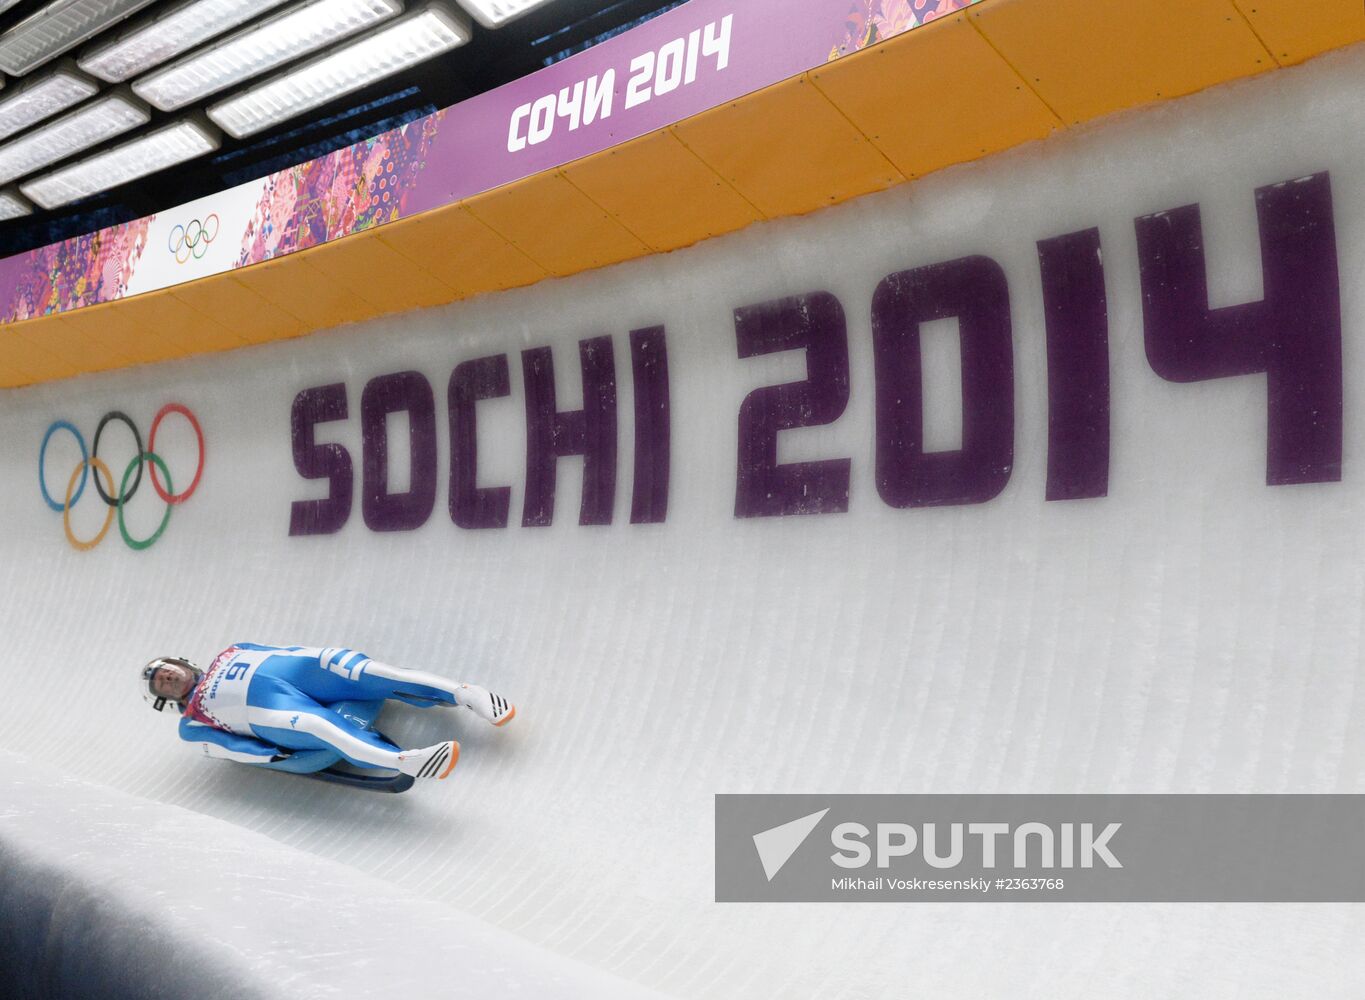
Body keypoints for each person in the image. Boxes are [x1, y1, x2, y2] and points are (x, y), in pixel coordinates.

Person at [141, 643, 515, 781]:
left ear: (181, 662)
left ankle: (464, 694)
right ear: (165, 698)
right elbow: (229, 749)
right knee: (315, 724)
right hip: (273, 713)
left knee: (354, 667)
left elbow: (283, 651)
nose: (169, 677)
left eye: (168, 669)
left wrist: (319, 655)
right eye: (162, 682)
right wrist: (275, 756)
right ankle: (405, 760)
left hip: (296, 674)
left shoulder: (232, 650)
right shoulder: (191, 724)